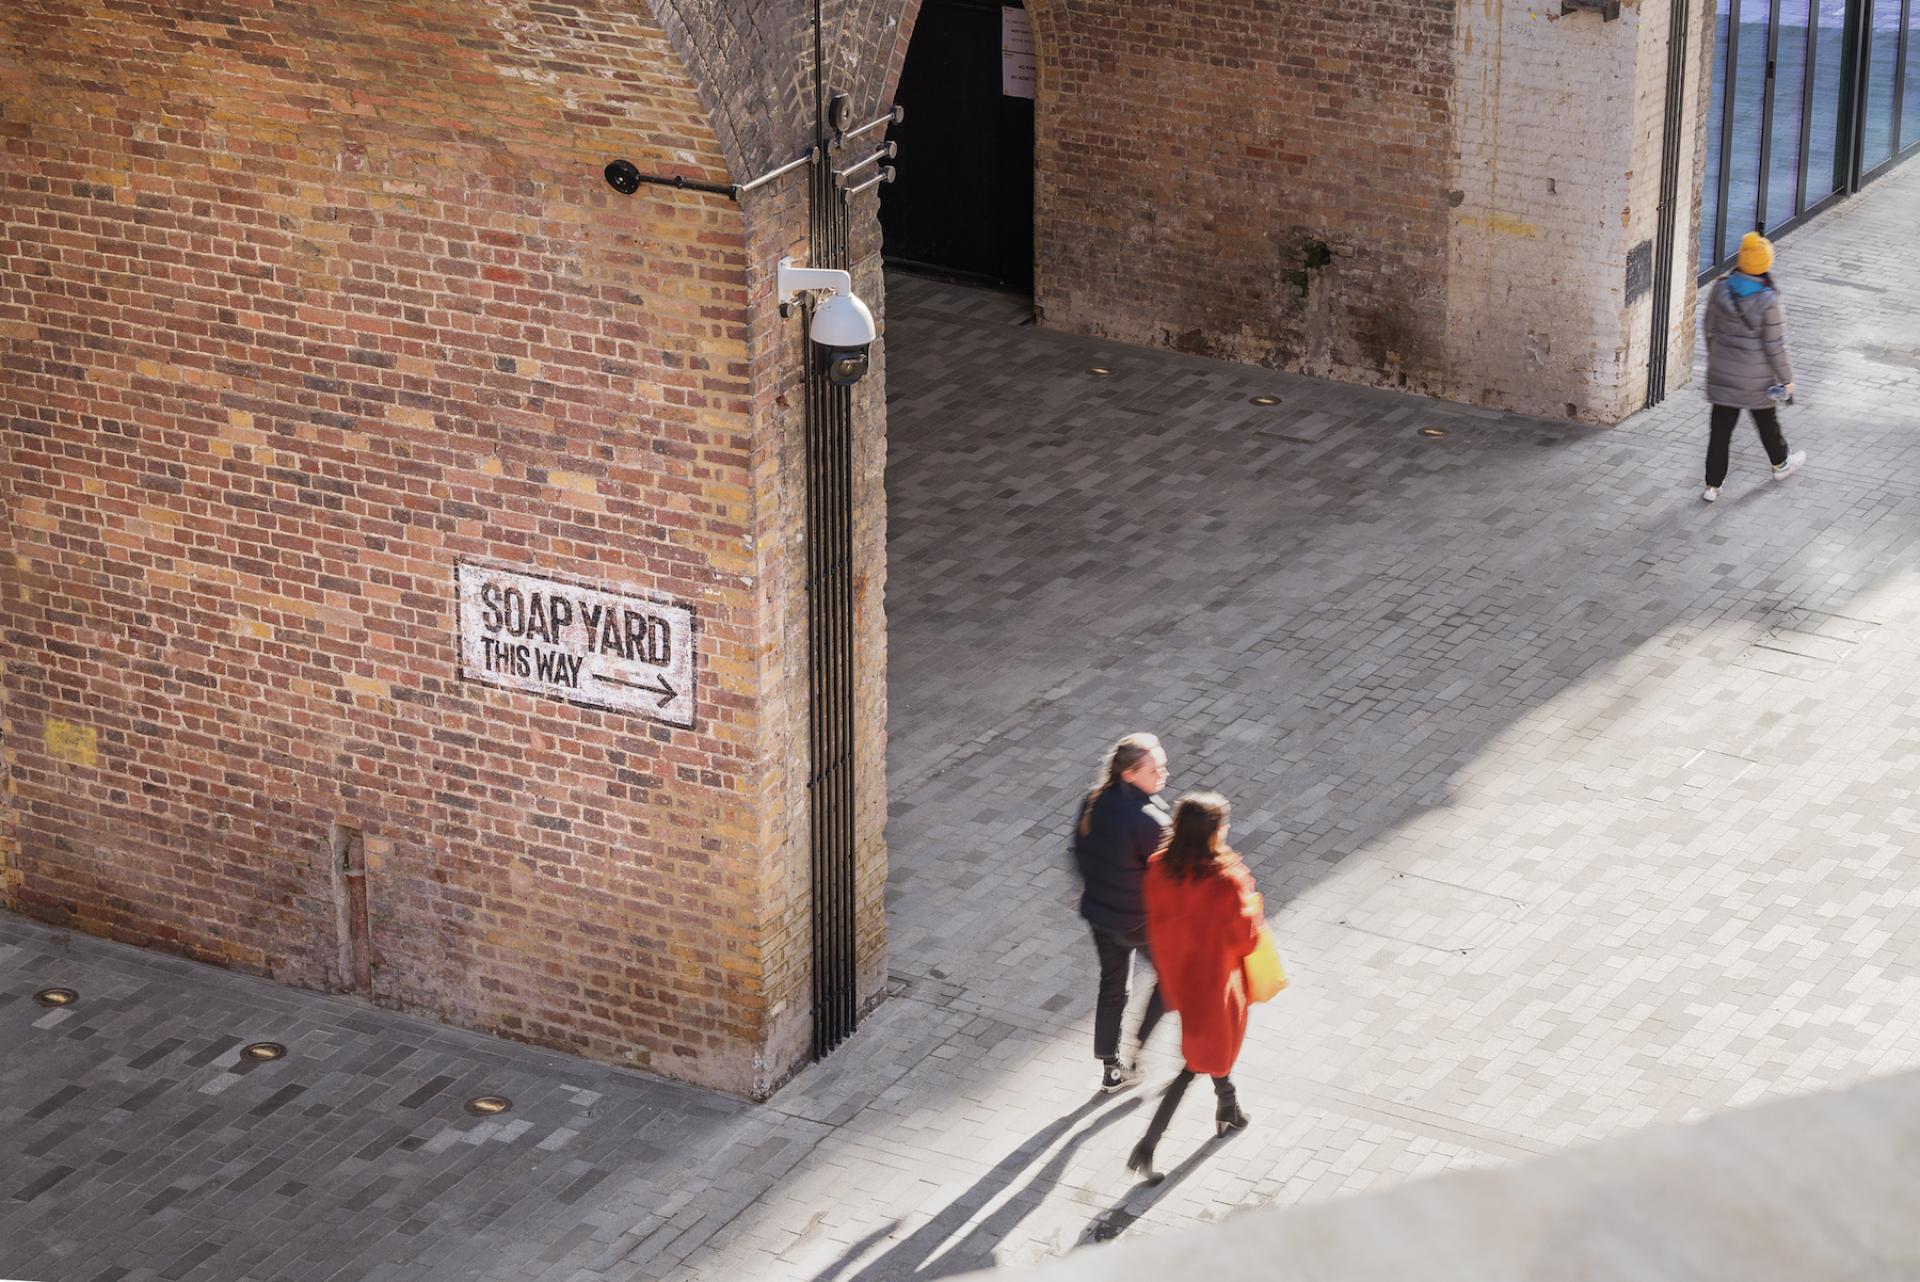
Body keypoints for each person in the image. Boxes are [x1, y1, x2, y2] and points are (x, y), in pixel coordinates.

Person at [1125, 790, 1262, 1184]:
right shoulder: (1224, 882)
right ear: (1213, 833)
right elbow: (1246, 940)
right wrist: (1250, 905)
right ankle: (1147, 1146)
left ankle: (1229, 1108)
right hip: (1213, 985)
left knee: (1208, 1054)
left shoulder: (1157, 867)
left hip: (1175, 976)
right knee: (1197, 1063)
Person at [1070, 732, 1172, 1093]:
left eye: (1163, 765)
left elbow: (1079, 853)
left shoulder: (1093, 801)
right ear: (1129, 774)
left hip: (1100, 914)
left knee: (1113, 984)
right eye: (1154, 768)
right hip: (1138, 920)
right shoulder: (1151, 821)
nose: (1163, 774)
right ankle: (1135, 1051)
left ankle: (1111, 1067)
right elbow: (1168, 879)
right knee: (1172, 979)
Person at [1701, 231, 1804, 503]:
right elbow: (1776, 345)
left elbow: (1709, 328)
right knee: (1767, 424)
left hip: (1723, 375)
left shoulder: (1721, 287)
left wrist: (1718, 359)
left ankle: (1712, 485)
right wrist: (1787, 379)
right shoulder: (1769, 299)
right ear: (1765, 264)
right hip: (1756, 379)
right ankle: (1780, 465)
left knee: (1720, 432)